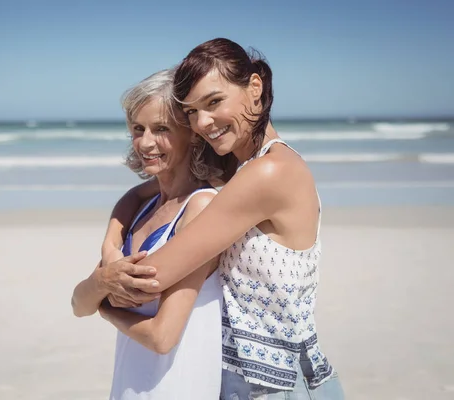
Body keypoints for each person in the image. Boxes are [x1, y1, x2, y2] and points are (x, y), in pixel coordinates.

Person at [98, 38, 345, 399]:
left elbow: (150, 279)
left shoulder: (268, 173)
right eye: (193, 112)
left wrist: (102, 302)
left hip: (277, 387)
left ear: (255, 87)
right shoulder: (239, 168)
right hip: (245, 382)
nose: (203, 122)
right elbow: (141, 193)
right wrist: (110, 244)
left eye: (214, 102)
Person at [71, 69, 235, 399]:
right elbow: (79, 303)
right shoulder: (141, 207)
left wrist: (108, 308)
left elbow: (163, 337)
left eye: (161, 129)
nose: (145, 142)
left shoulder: (200, 207)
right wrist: (102, 283)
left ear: (192, 133)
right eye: (137, 129)